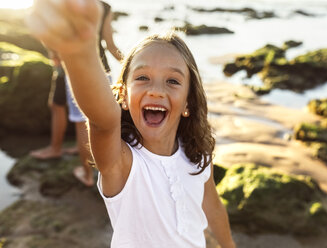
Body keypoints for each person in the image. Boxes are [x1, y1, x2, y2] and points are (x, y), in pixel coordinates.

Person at [26, 0, 236, 247]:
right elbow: (103, 121)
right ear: (123, 97)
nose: (156, 90)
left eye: (173, 81)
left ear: (188, 102)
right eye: (143, 77)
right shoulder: (123, 162)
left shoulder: (198, 155)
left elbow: (212, 205)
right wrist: (78, 51)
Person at [30, 0, 123, 187]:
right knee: (100, 123)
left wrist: (54, 54)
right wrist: (131, 67)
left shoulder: (66, 5)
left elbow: (51, 32)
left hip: (75, 69)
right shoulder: (105, 7)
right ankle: (99, 167)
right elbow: (111, 45)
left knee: (83, 122)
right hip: (103, 70)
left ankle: (87, 175)